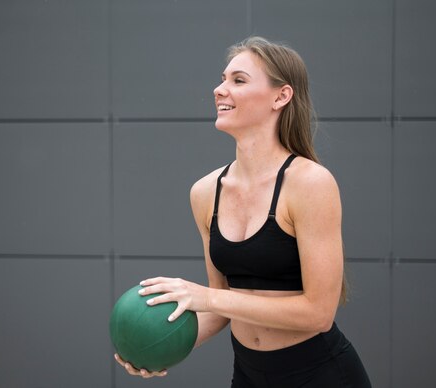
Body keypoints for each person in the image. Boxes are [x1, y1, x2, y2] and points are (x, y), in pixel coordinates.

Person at [115, 36, 372, 387]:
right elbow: (221, 310)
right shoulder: (205, 192)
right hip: (249, 375)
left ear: (281, 96)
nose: (220, 89)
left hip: (321, 375)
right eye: (222, 79)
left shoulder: (310, 183)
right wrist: (159, 346)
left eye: (238, 80)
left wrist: (207, 297)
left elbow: (318, 313)